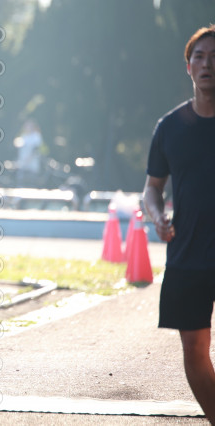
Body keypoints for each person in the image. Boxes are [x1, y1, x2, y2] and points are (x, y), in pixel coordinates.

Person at [143, 24, 215, 423]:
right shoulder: (169, 127)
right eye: (199, 57)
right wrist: (158, 216)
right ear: (188, 67)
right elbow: (152, 188)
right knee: (194, 351)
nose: (207, 64)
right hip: (188, 255)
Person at [14, 119, 43, 187]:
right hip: (22, 165)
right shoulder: (23, 136)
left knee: (31, 184)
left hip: (32, 166)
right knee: (20, 183)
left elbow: (36, 149)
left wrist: (29, 158)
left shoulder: (36, 136)